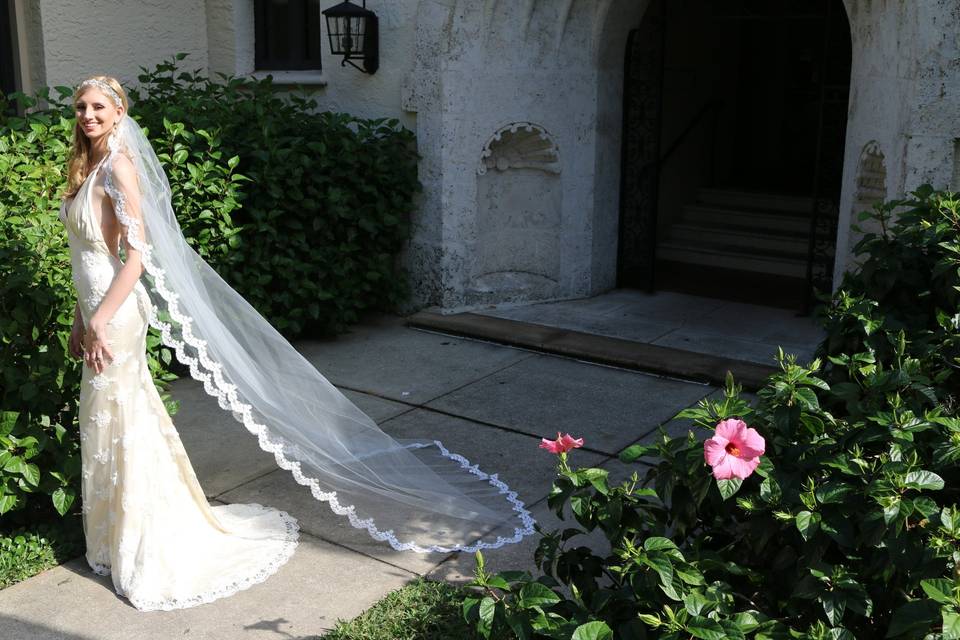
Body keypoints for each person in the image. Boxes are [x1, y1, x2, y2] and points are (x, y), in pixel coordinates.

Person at [59, 76, 534, 611]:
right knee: (111, 419)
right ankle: (116, 535)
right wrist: (82, 318)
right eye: (80, 107)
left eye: (98, 105)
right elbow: (88, 263)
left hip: (117, 317)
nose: (87, 114)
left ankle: (145, 541)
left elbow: (136, 258)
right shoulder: (87, 169)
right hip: (98, 312)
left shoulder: (119, 168)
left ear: (120, 111)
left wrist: (99, 321)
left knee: (125, 419)